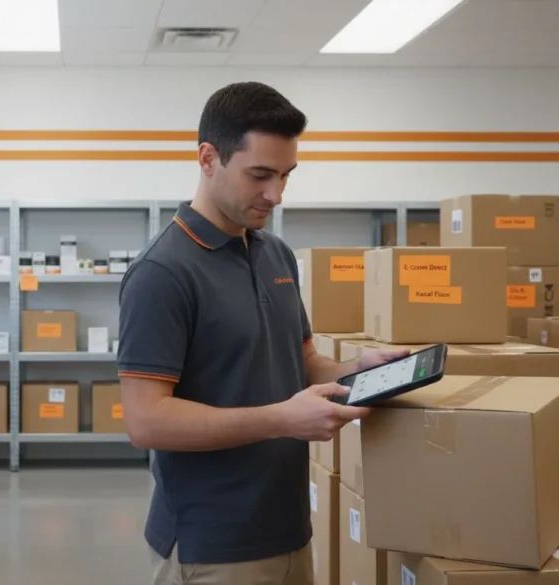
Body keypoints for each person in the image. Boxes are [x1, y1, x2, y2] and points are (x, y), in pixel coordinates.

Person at [116, 81, 408, 585]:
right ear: (208, 159)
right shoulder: (162, 273)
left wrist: (355, 371)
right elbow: (146, 421)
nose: (276, 194)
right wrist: (281, 419)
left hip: (290, 529)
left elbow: (302, 360)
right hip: (213, 545)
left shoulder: (274, 254)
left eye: (285, 175)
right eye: (260, 175)